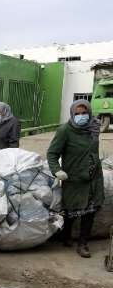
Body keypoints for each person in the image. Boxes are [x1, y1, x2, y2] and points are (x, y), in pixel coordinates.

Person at [47, 99, 104, 258]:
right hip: (74, 178)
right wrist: (57, 170)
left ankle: (83, 244)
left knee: (90, 212)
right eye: (77, 113)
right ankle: (66, 236)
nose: (81, 116)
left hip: (94, 178)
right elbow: (52, 154)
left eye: (84, 113)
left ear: (89, 112)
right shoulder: (65, 130)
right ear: (72, 114)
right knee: (71, 210)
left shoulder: (93, 128)